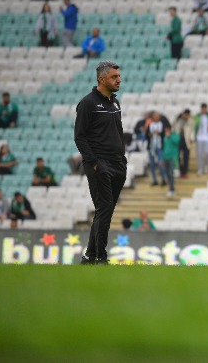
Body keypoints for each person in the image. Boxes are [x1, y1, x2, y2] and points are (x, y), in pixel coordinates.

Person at [75, 61, 127, 265]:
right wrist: (94, 162)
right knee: (104, 208)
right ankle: (100, 256)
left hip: (117, 164)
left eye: (119, 76)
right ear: (101, 79)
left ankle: (89, 255)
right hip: (100, 164)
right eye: (114, 77)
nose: (119, 80)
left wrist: (122, 159)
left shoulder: (115, 102)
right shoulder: (87, 103)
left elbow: (118, 133)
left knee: (105, 211)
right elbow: (79, 137)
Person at [194, 103, 208, 175]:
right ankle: (200, 168)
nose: (204, 110)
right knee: (199, 154)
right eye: (203, 109)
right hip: (199, 137)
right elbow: (195, 125)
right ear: (201, 109)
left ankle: (205, 166)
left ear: (206, 109)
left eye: (205, 108)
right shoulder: (197, 116)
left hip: (207, 137)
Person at [161, 125, 179, 197]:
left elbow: (177, 142)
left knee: (171, 174)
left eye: (167, 130)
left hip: (172, 157)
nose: (166, 132)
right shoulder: (165, 138)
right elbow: (164, 148)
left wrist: (170, 137)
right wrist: (162, 158)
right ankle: (170, 188)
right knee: (167, 174)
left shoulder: (175, 136)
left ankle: (172, 189)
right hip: (166, 157)